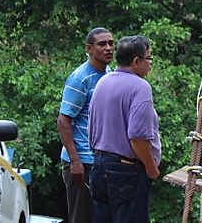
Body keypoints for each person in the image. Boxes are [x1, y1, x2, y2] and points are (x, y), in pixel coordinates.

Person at [88, 35, 161, 223]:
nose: (150, 64)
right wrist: (151, 168)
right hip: (126, 171)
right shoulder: (140, 87)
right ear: (136, 61)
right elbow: (137, 136)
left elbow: (92, 127)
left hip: (99, 166)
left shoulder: (103, 82)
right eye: (149, 58)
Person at [57, 27, 114, 223]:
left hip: (101, 160)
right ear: (89, 49)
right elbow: (63, 120)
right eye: (102, 44)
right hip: (82, 162)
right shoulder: (80, 78)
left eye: (111, 43)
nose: (108, 48)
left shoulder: (109, 74)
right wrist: (75, 160)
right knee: (82, 217)